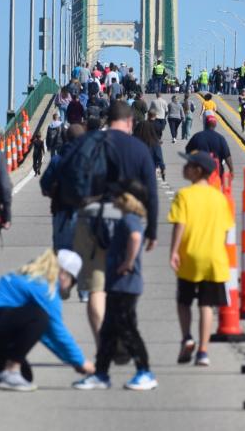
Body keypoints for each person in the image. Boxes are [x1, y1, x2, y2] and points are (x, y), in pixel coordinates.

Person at [71, 101, 160, 341]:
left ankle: (104, 345)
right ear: (129, 121)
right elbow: (151, 192)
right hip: (125, 220)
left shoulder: (89, 143)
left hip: (91, 219)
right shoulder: (138, 149)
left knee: (96, 288)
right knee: (123, 283)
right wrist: (151, 230)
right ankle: (121, 333)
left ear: (107, 120)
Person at [0, 249, 94, 391]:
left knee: (24, 375)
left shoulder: (30, 277)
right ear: (63, 274)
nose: (70, 287)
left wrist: (73, 361)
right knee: (39, 316)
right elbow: (57, 332)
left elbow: (45, 335)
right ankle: (11, 371)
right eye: (72, 282)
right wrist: (81, 362)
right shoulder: (45, 287)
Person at [73, 181, 156, 391]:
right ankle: (101, 374)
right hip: (117, 284)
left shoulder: (130, 219)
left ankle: (145, 371)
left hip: (126, 285)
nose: (115, 199)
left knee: (128, 330)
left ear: (127, 199)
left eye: (118, 196)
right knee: (108, 332)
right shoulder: (126, 218)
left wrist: (128, 263)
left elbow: (136, 238)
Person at [168, 151, 233, 368]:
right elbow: (225, 230)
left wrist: (174, 251)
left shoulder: (184, 195)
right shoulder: (219, 197)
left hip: (190, 257)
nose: (184, 168)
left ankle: (187, 337)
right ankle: (203, 351)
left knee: (183, 301)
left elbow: (180, 225)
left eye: (188, 165)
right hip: (213, 258)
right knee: (207, 305)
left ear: (197, 171)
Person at [187, 113, 233, 186]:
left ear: (205, 124)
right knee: (214, 192)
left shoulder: (197, 136)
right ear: (215, 125)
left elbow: (188, 151)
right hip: (217, 172)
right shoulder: (220, 138)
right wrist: (231, 170)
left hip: (201, 171)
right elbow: (227, 156)